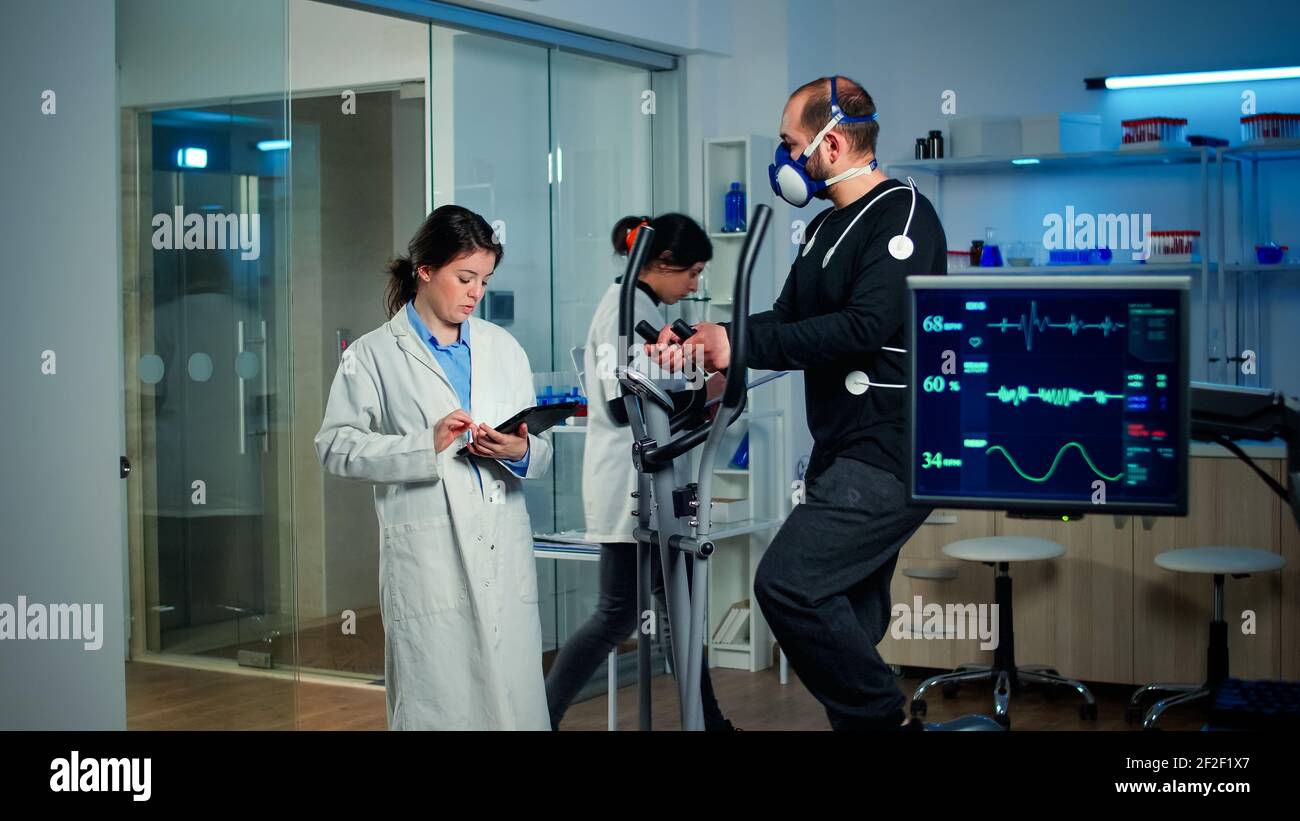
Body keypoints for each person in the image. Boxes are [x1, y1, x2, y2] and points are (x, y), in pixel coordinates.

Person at [650, 76, 948, 730]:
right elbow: (786, 318)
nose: (783, 160)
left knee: (787, 583)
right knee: (854, 620)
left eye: (790, 144)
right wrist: (711, 348)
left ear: (832, 142)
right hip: (839, 449)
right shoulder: (820, 229)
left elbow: (864, 326)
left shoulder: (903, 216)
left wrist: (737, 342)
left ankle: (887, 722)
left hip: (891, 452)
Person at [315, 204, 553, 730]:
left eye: (485, 281)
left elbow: (538, 448)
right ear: (425, 270)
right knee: (440, 703)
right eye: (464, 277)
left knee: (514, 705)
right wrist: (425, 446)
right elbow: (334, 445)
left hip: (500, 545)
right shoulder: (373, 355)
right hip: (429, 559)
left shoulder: (504, 349)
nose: (475, 294)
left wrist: (520, 452)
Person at [544, 213, 736, 731]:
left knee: (679, 613)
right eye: (691, 272)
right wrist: (706, 392)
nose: (695, 285)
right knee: (618, 616)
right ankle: (537, 716)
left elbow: (655, 392)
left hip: (656, 487)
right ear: (663, 263)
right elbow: (617, 405)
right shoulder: (623, 308)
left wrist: (698, 391)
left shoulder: (644, 306)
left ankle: (710, 722)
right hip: (628, 489)